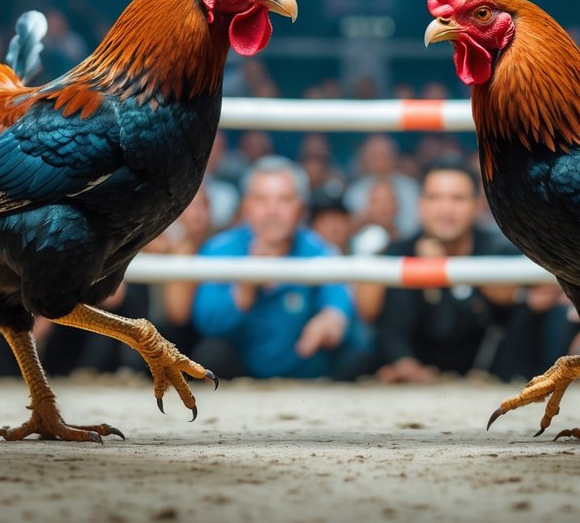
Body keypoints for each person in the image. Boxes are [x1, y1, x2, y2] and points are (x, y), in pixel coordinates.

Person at [192, 155, 373, 380]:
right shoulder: (219, 249)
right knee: (210, 353)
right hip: (241, 372)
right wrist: (245, 288)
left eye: (284, 200)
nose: (272, 211)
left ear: (300, 209)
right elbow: (206, 322)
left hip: (305, 370)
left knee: (359, 352)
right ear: (246, 206)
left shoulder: (318, 249)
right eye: (261, 200)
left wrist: (331, 319)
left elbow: (338, 299)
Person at [375, 159, 553, 383]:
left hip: (494, 379)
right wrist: (405, 364)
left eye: (457, 198)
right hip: (416, 380)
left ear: (477, 205)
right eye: (435, 197)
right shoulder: (398, 253)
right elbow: (386, 326)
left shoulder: (501, 252)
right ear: (420, 205)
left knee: (535, 305)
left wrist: (521, 296)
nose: (446, 208)